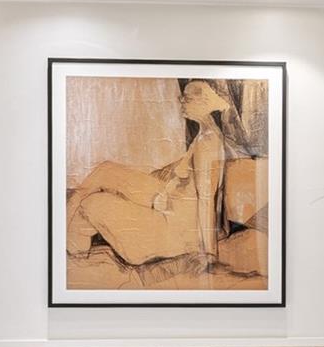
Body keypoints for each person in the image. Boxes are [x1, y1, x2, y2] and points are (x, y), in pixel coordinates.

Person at [65, 80, 232, 272]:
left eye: (186, 99)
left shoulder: (208, 144)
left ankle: (71, 249)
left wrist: (209, 254)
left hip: (174, 229)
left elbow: (206, 200)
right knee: (105, 170)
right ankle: (66, 235)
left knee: (91, 205)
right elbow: (189, 178)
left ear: (204, 103)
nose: (181, 102)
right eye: (182, 97)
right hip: (168, 204)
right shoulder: (206, 135)